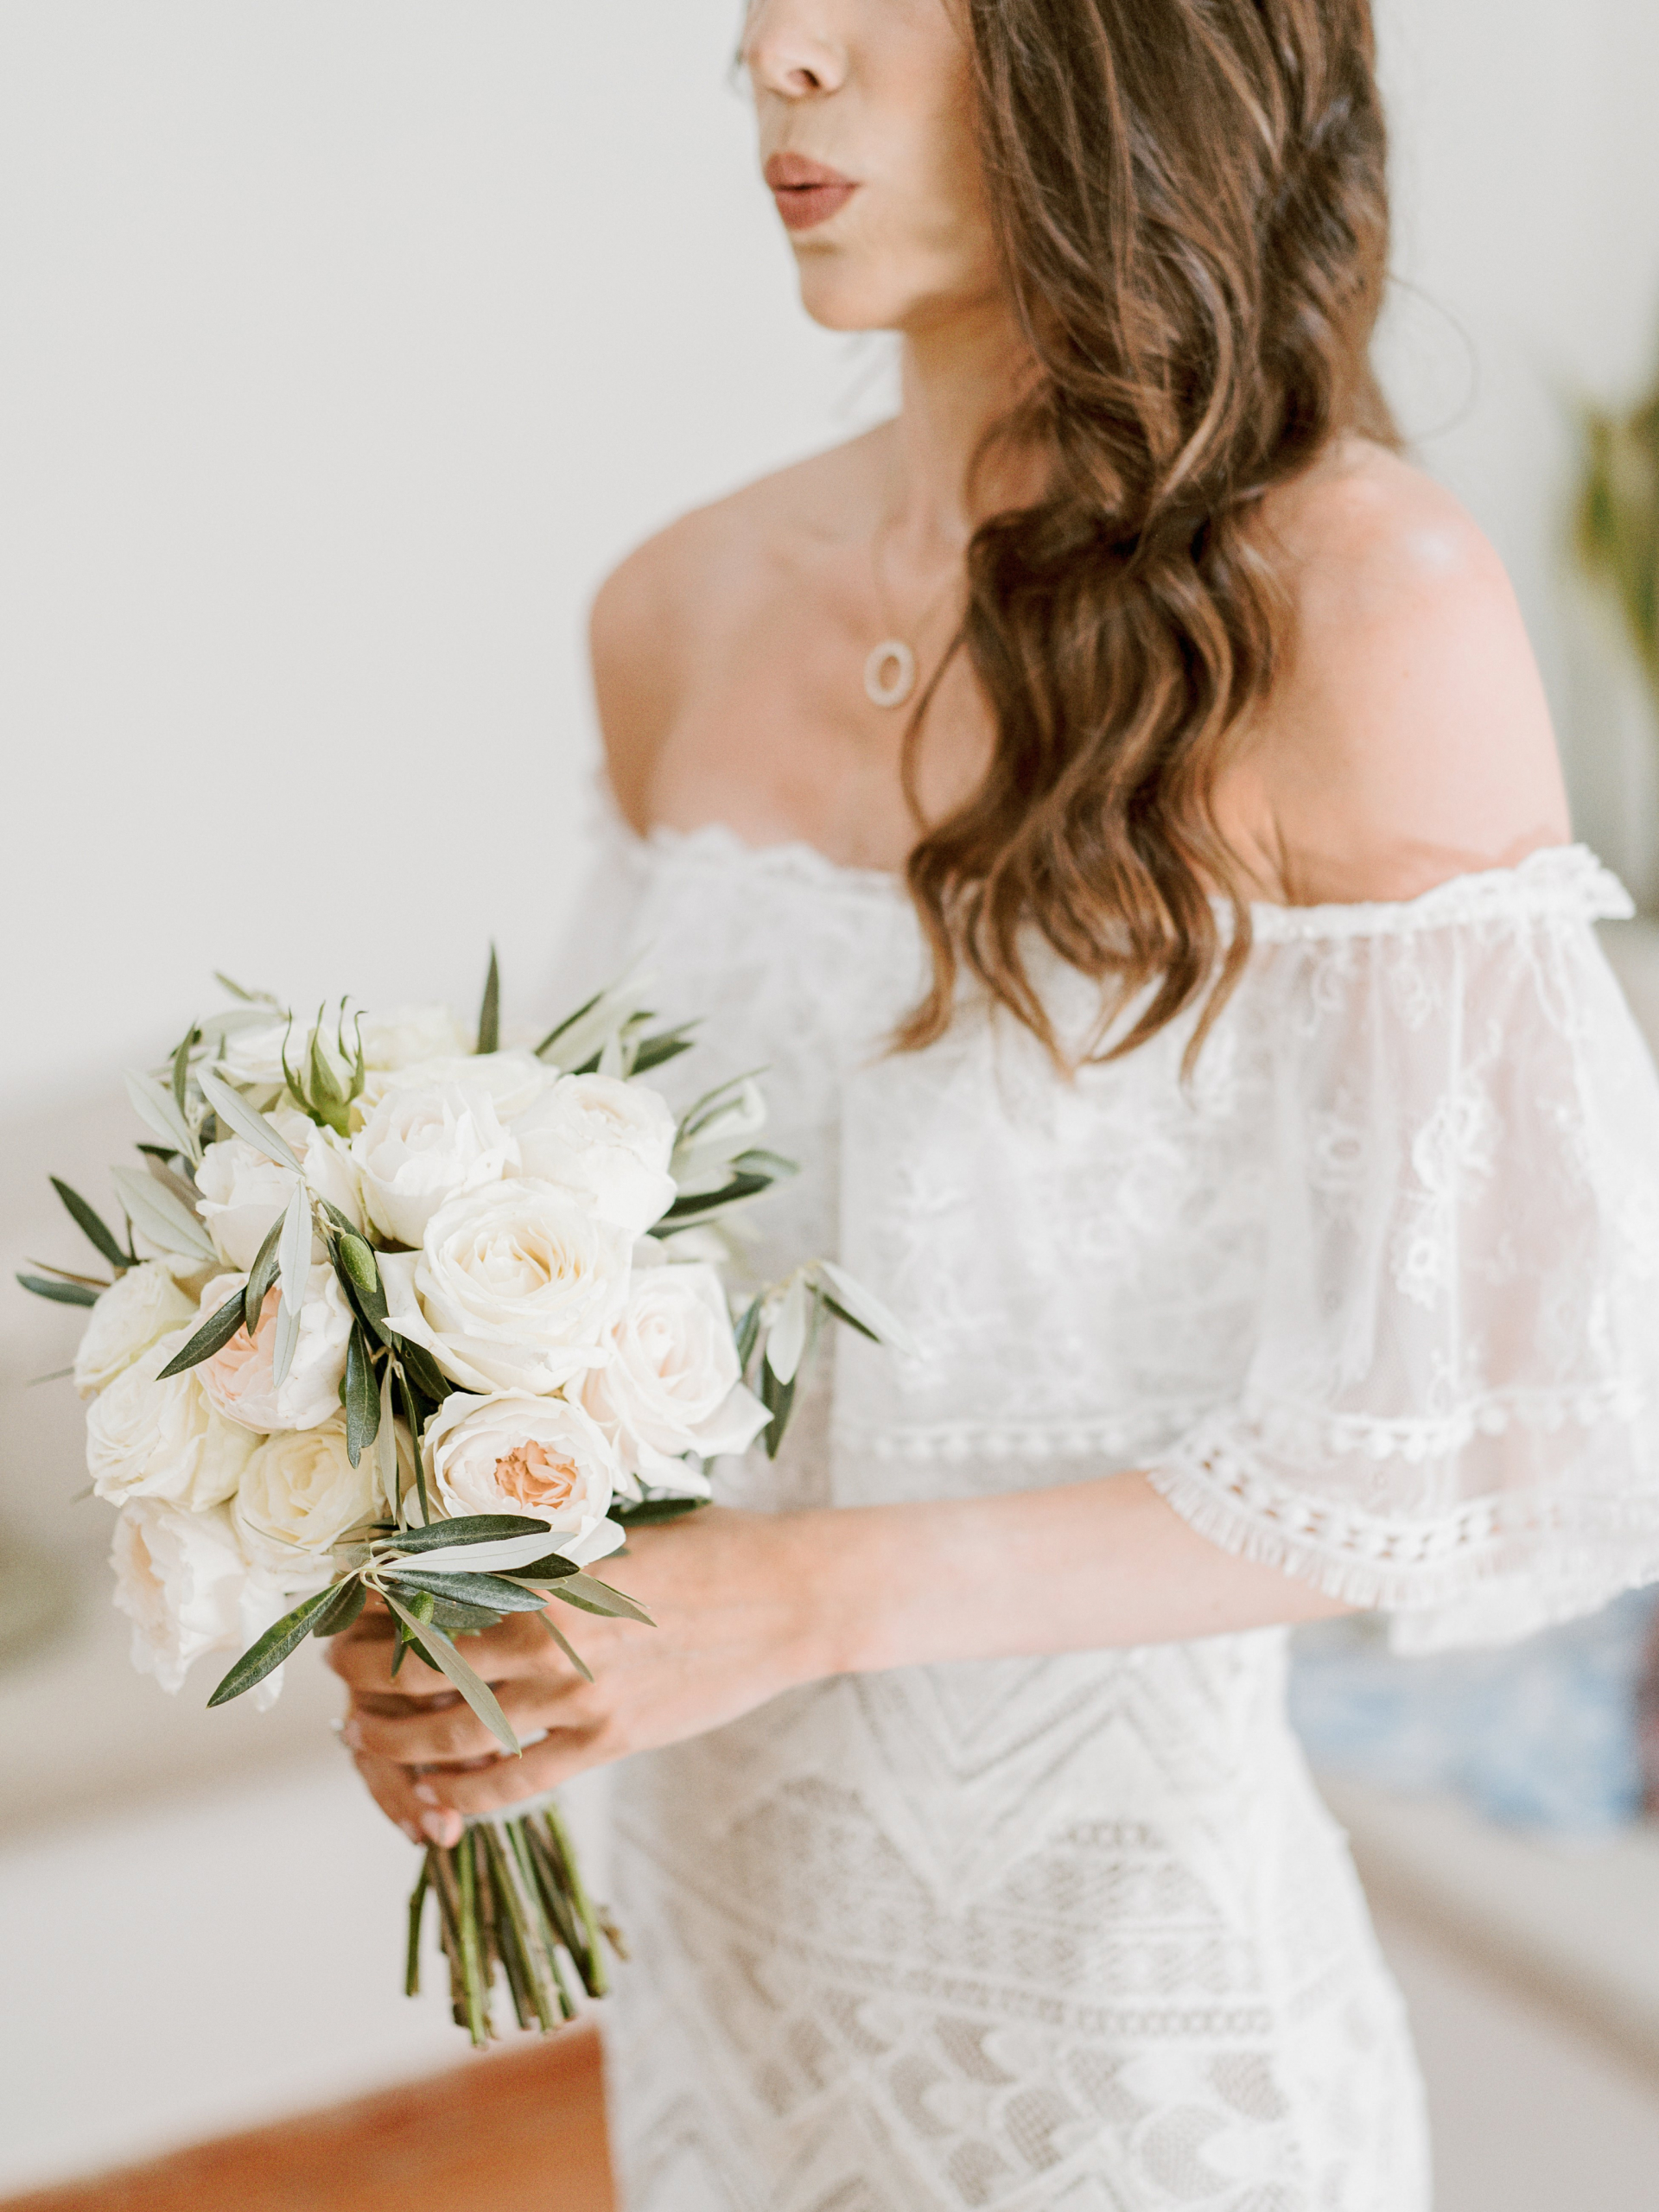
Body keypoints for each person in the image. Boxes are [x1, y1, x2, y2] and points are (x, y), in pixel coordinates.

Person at [329, 3, 1659, 2203]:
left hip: (1139, 2039)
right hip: (730, 1990)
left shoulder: (1367, 608)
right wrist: (461, 1587)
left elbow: (1508, 1431)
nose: (777, 55)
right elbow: (603, 1309)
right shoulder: (674, 612)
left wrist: (809, 1594)